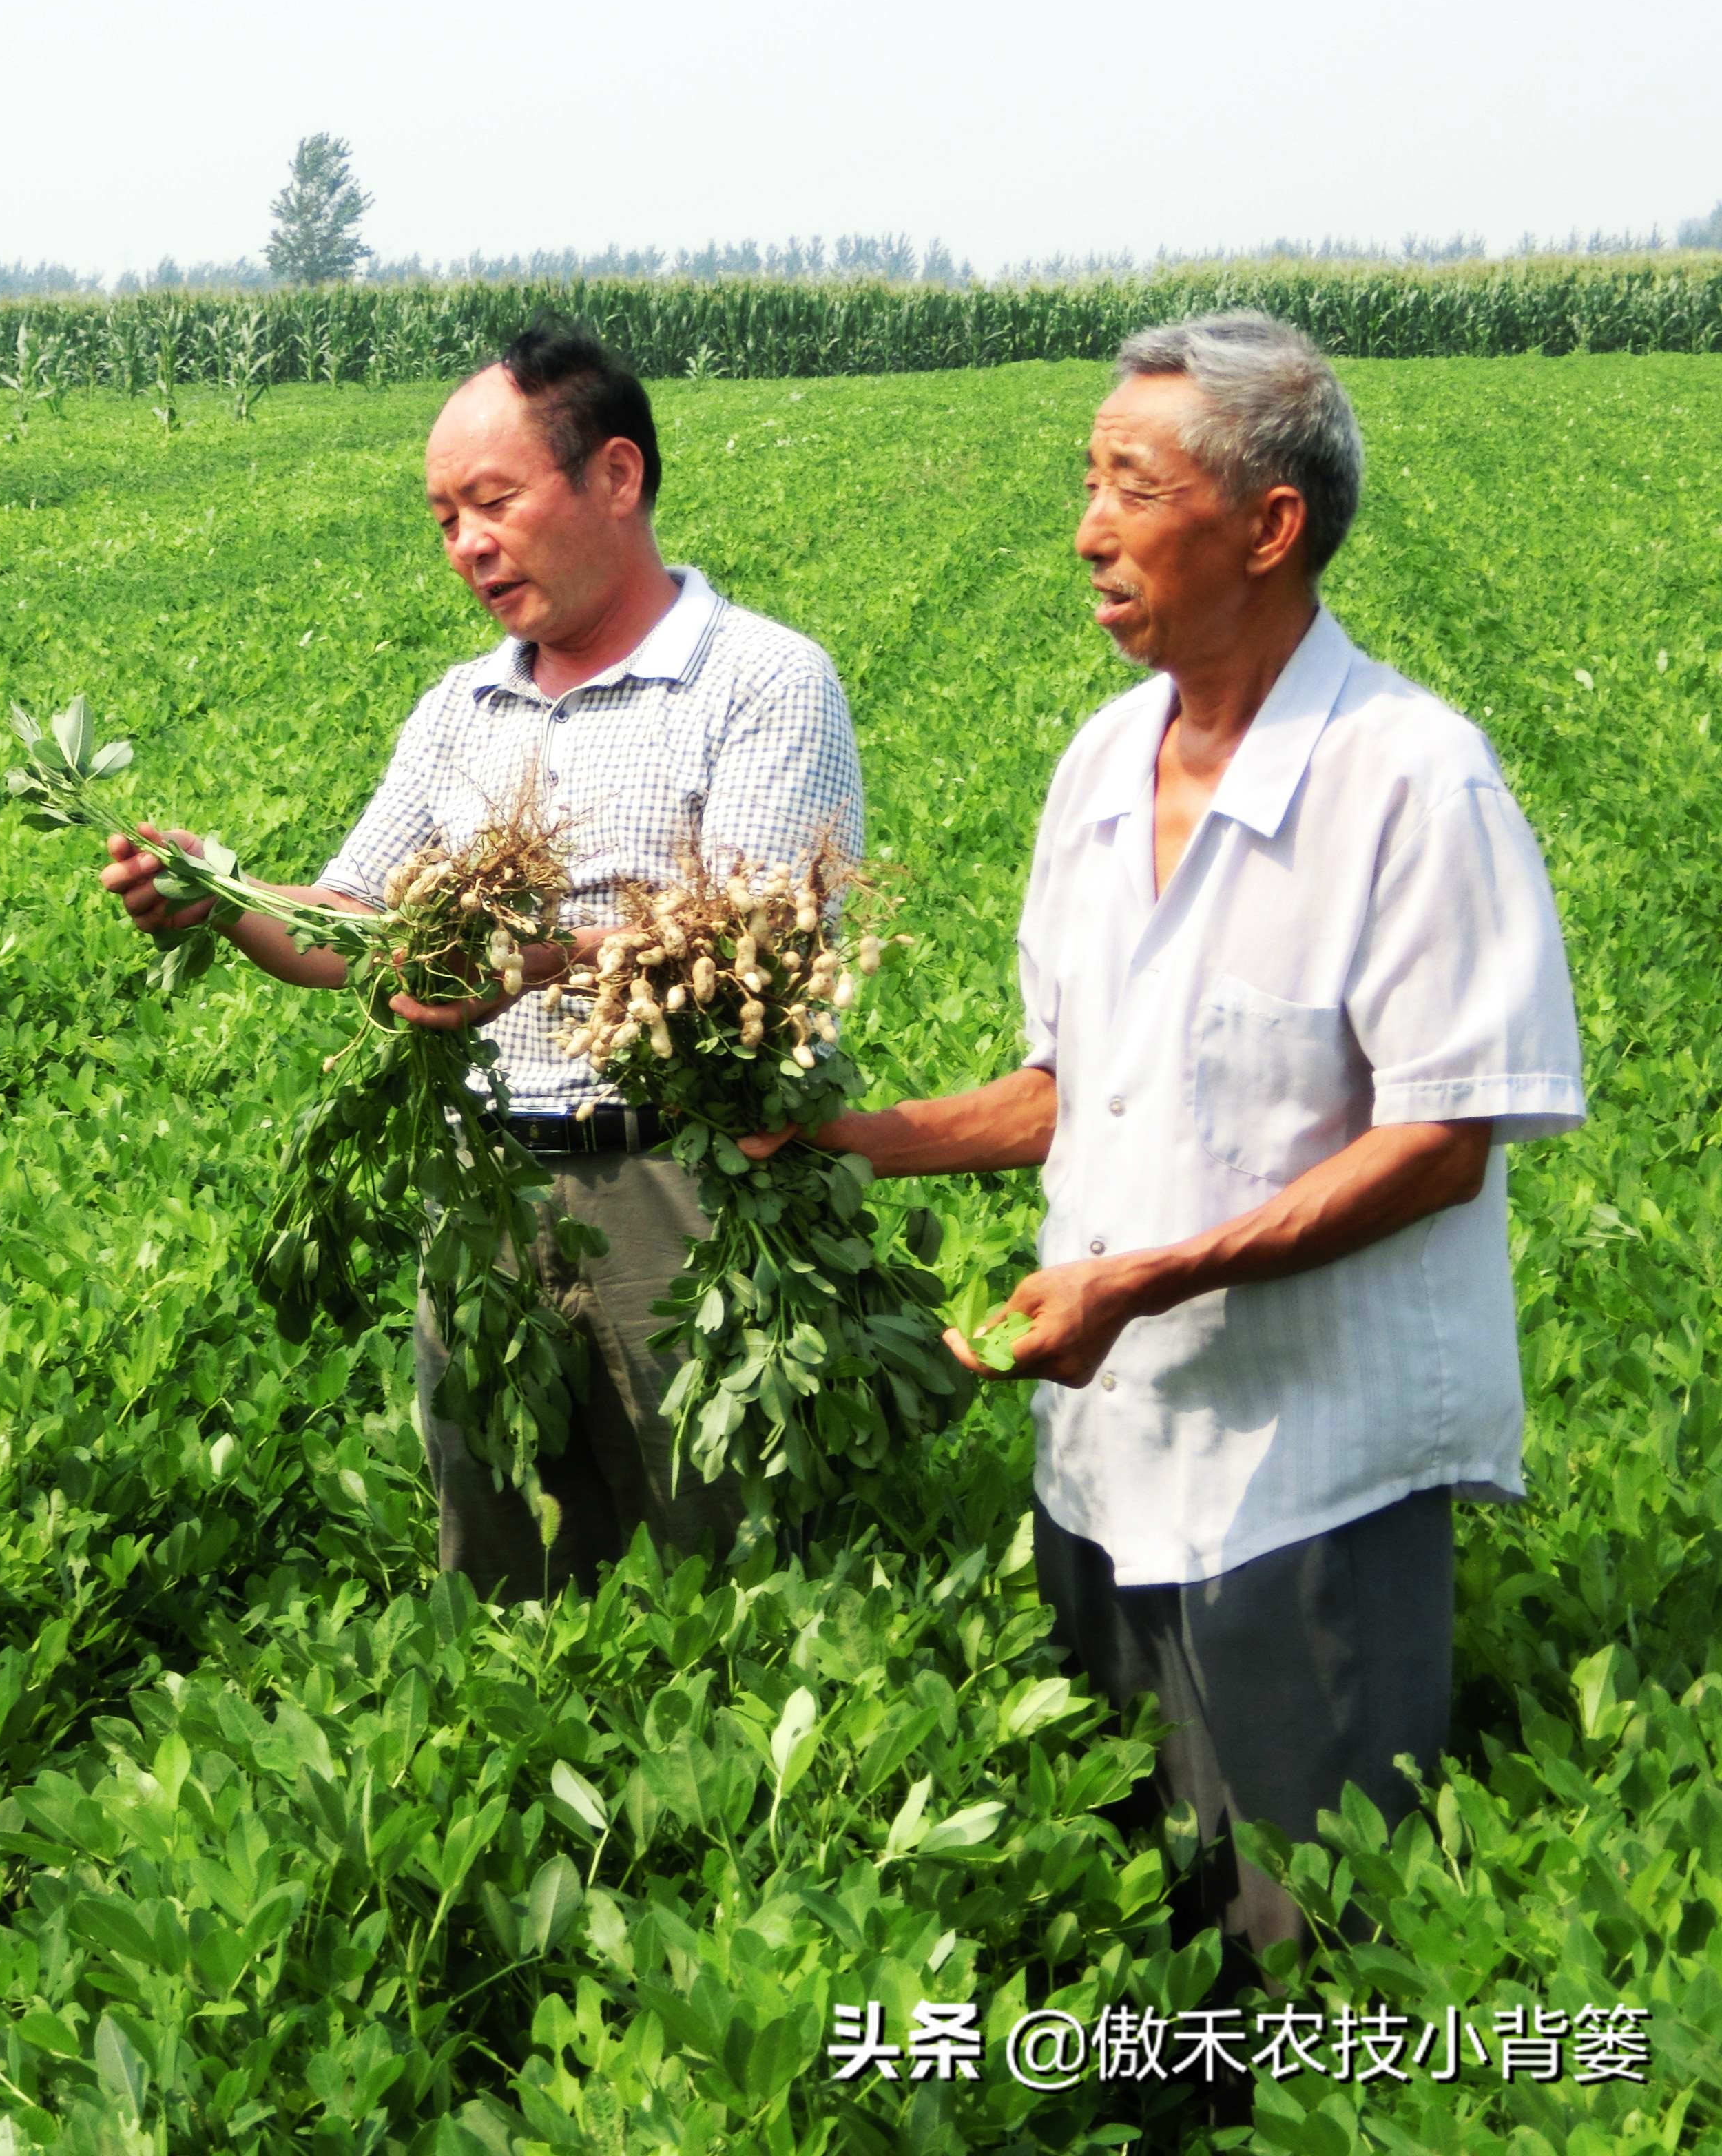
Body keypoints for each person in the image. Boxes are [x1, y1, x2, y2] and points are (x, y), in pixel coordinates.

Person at [772, 311, 1582, 1957]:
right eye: (1090, 482)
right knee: (1127, 1918)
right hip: (1102, 1463)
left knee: (1301, 1948)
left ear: (1269, 529)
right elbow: (1074, 1091)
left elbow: (1442, 1139)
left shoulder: (1414, 783)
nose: (1087, 531)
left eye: (1131, 488)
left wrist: (1144, 1281)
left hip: (1311, 1480)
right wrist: (839, 1140)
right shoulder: (1095, 768)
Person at [102, 324, 863, 1599]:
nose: (466, 542)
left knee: (726, 1579)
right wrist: (216, 891)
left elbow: (755, 953)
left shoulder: (763, 680)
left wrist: (534, 958)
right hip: (490, 1200)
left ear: (616, 478)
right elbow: (351, 921)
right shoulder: (462, 707)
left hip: (690, 1190)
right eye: (445, 516)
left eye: (493, 502)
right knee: (508, 1570)